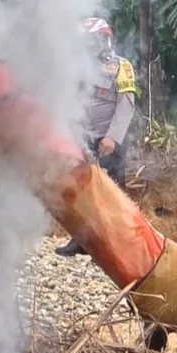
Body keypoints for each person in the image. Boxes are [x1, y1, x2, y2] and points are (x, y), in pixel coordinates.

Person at [56, 17, 137, 257]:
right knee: (82, 190)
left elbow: (126, 105)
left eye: (93, 41)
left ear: (105, 39)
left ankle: (121, 242)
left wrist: (112, 138)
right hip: (84, 138)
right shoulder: (77, 67)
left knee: (113, 192)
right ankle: (82, 240)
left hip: (109, 140)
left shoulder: (121, 66)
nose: (89, 46)